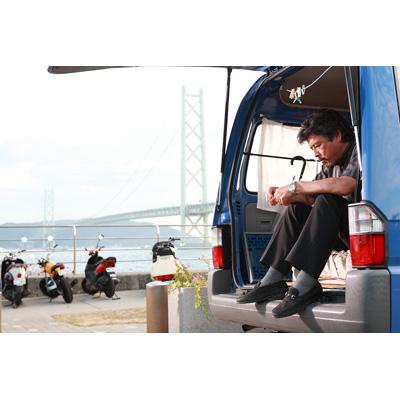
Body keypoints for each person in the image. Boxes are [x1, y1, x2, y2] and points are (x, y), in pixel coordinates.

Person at [237, 108, 360, 318]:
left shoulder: (360, 149)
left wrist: (296, 187)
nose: (315, 153)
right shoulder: (329, 165)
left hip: (360, 230)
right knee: (298, 207)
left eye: (318, 145)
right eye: (312, 148)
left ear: (337, 135)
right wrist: (288, 195)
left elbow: (346, 185)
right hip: (336, 230)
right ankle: (273, 278)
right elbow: (312, 198)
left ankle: (306, 284)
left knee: (328, 200)